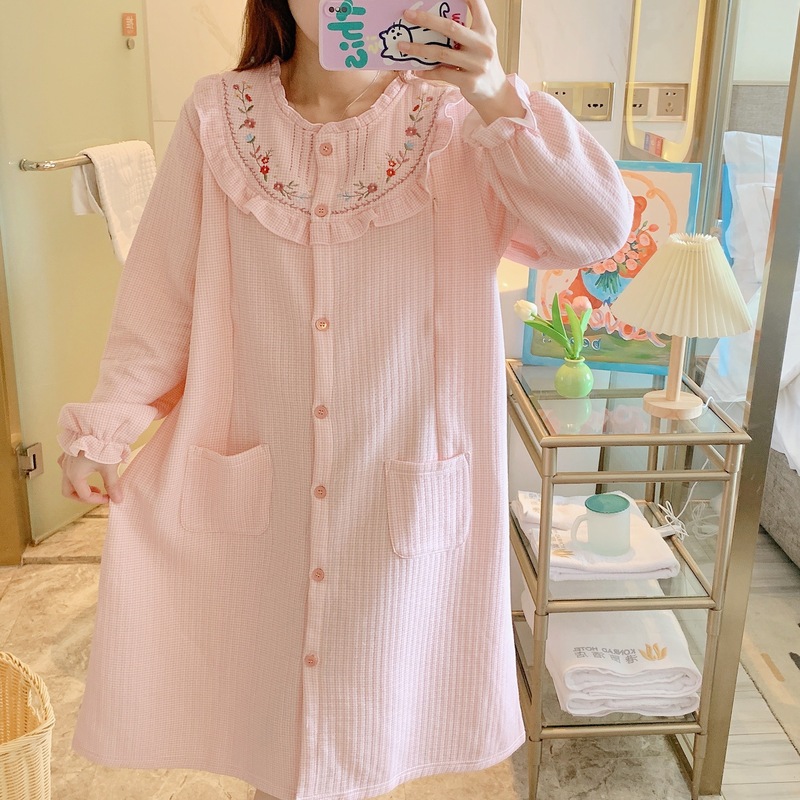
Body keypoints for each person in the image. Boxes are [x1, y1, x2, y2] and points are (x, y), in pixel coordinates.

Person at [57, 1, 633, 798]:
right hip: (262, 501)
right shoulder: (219, 116)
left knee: (361, 733)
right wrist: (109, 424)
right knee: (270, 736)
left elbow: (598, 230)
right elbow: (163, 291)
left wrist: (498, 95)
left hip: (394, 503)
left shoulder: (459, 118)